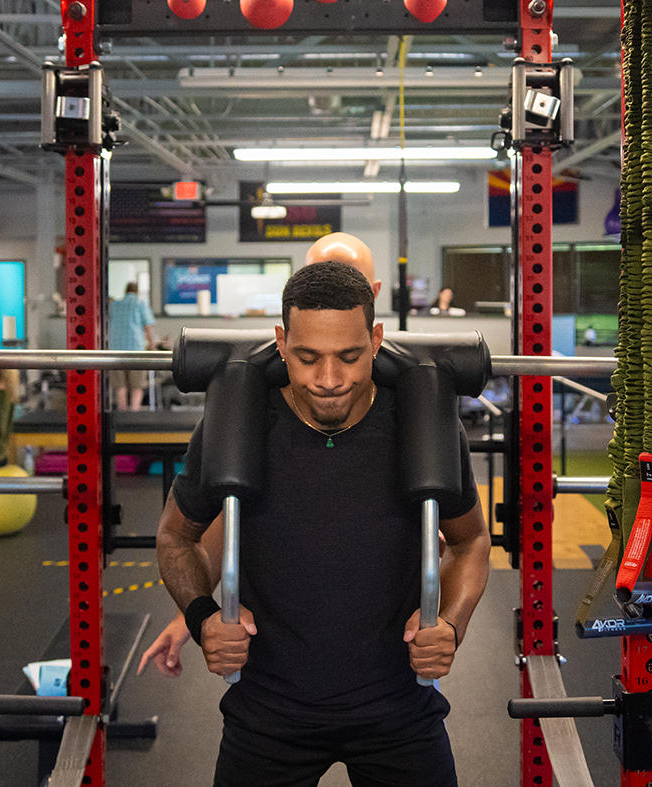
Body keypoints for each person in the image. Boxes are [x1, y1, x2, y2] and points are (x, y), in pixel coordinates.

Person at [155, 262, 490, 786]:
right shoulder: (237, 426)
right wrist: (200, 617)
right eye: (308, 358)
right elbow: (177, 536)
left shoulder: (420, 424)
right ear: (281, 342)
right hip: (267, 716)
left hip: (399, 713)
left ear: (376, 340)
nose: (330, 380)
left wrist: (451, 623)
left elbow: (470, 541)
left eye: (349, 357)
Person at [140, 233, 388, 677]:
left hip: (385, 667)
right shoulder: (255, 394)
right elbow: (229, 509)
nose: (329, 377)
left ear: (373, 297)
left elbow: (461, 538)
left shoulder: (411, 393)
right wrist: (195, 615)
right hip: (275, 677)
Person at [109, 281, 157, 411]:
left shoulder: (114, 305)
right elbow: (148, 326)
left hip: (115, 351)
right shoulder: (140, 304)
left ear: (125, 291)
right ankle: (134, 413)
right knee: (137, 386)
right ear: (136, 292)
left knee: (120, 386)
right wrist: (152, 344)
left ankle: (123, 413)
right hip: (136, 350)